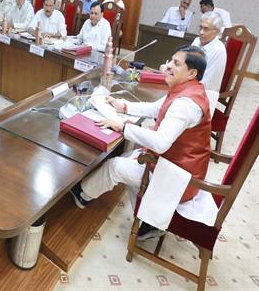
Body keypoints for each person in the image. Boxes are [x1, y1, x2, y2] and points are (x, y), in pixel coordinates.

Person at [70, 45, 211, 240]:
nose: (169, 66)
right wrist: (123, 106)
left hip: (178, 176)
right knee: (130, 157)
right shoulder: (188, 90)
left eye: (176, 63)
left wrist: (123, 127)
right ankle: (148, 222)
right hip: (177, 164)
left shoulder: (186, 104)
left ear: (192, 73)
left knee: (115, 166)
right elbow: (156, 108)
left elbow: (160, 143)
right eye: (171, 60)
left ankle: (82, 194)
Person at [191, 11, 226, 92]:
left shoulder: (219, 50)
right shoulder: (196, 40)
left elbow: (207, 82)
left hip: (204, 92)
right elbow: (187, 63)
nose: (201, 32)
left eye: (206, 29)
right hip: (189, 84)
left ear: (217, 31)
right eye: (200, 27)